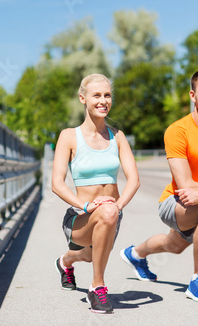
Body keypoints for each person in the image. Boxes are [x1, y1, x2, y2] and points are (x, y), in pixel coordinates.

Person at [120, 69, 198, 303]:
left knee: (174, 244)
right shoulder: (177, 131)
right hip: (175, 201)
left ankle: (136, 254)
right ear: (192, 95)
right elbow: (186, 185)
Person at [52, 73, 140, 314]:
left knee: (91, 256)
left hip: (111, 215)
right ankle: (97, 287)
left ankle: (65, 262)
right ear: (83, 98)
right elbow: (57, 184)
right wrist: (88, 206)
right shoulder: (69, 136)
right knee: (94, 250)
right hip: (80, 216)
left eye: (107, 95)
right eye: (97, 95)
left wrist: (118, 206)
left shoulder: (118, 137)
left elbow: (134, 179)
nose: (103, 101)